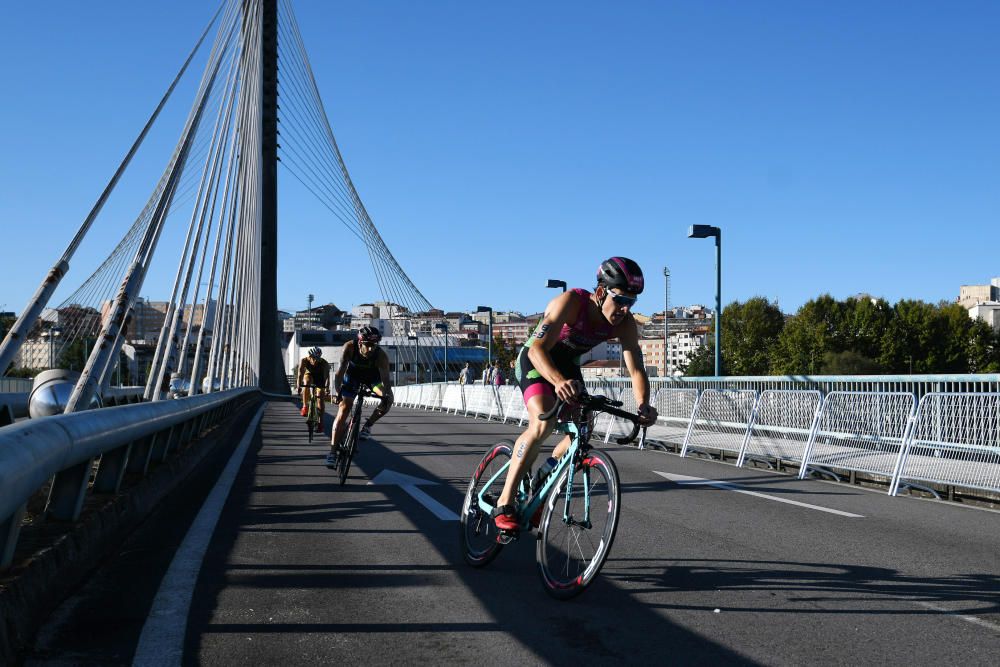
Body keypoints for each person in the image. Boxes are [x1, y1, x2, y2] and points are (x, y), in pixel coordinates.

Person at [493, 257, 658, 531]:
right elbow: (536, 350)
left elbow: (636, 368)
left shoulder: (624, 323)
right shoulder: (571, 302)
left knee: (582, 430)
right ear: (602, 292)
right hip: (537, 359)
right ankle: (505, 500)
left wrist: (643, 404)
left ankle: (546, 473)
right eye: (620, 300)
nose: (624, 309)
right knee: (543, 422)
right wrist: (557, 382)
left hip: (568, 365)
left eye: (631, 303)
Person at [327, 326, 394, 467]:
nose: (370, 349)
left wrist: (386, 397)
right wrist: (337, 391)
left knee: (389, 399)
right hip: (352, 378)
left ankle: (368, 425)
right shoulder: (349, 347)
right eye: (368, 345)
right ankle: (332, 452)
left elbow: (386, 382)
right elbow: (340, 373)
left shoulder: (381, 356)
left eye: (374, 346)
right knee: (344, 408)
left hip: (372, 380)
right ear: (360, 342)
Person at [297, 347, 330, 419]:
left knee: (320, 396)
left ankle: (320, 421)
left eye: (317, 358)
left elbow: (327, 377)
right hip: (310, 375)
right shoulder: (304, 360)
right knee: (307, 382)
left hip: (320, 378)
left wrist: (327, 388)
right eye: (313, 358)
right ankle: (305, 406)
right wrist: (299, 386)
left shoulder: (324, 363)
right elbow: (300, 374)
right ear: (310, 356)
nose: (315, 361)